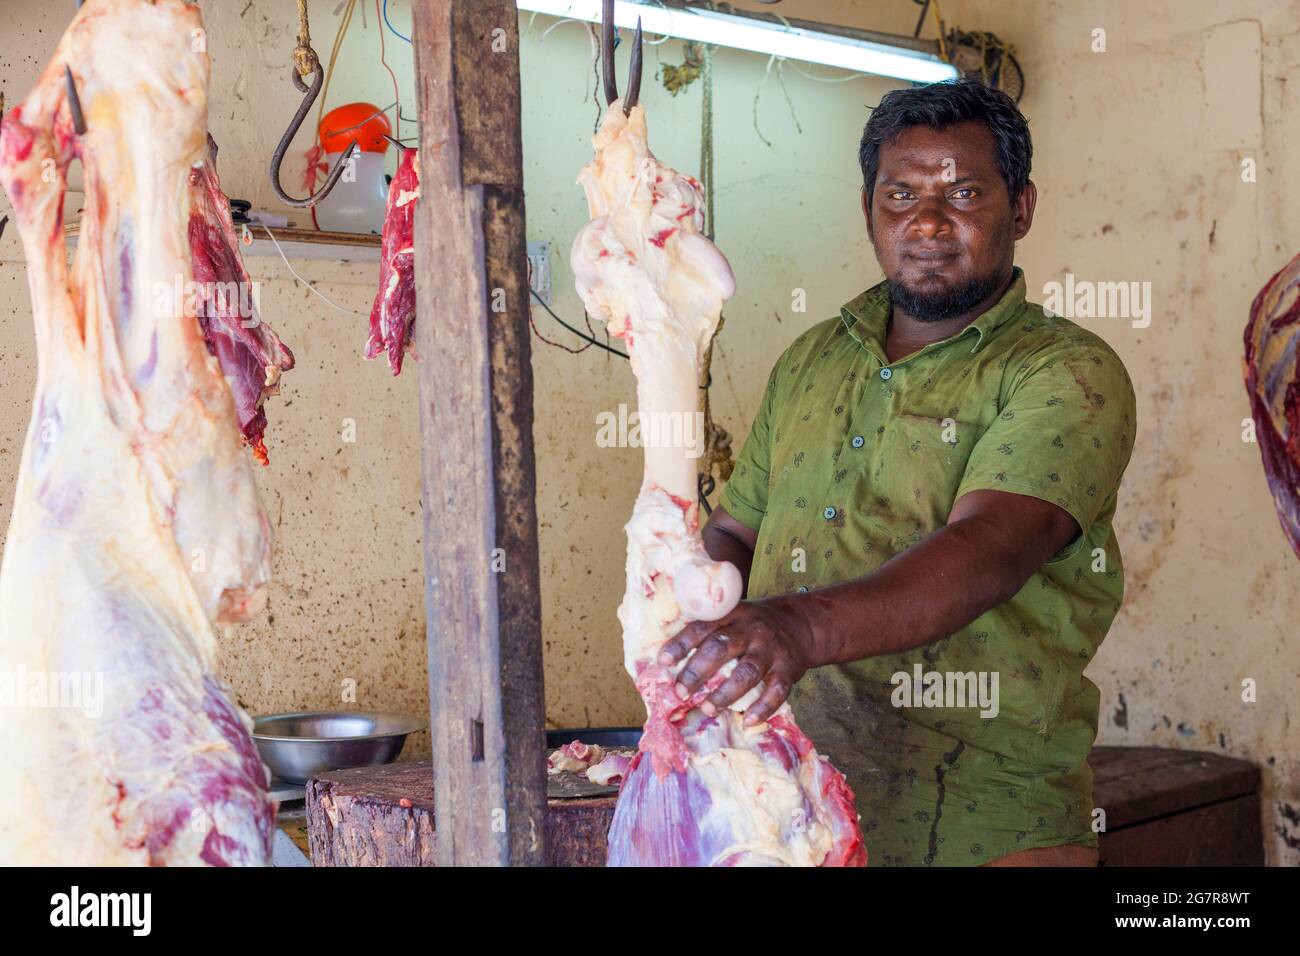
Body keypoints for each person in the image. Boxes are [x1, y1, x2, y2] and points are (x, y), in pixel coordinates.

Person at [662, 78, 1137, 866]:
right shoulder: (813, 358)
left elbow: (989, 546)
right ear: (867, 208)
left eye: (964, 192)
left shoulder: (1067, 373)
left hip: (985, 823)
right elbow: (737, 532)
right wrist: (680, 618)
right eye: (900, 194)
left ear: (1020, 208)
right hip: (792, 809)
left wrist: (796, 627)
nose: (926, 221)